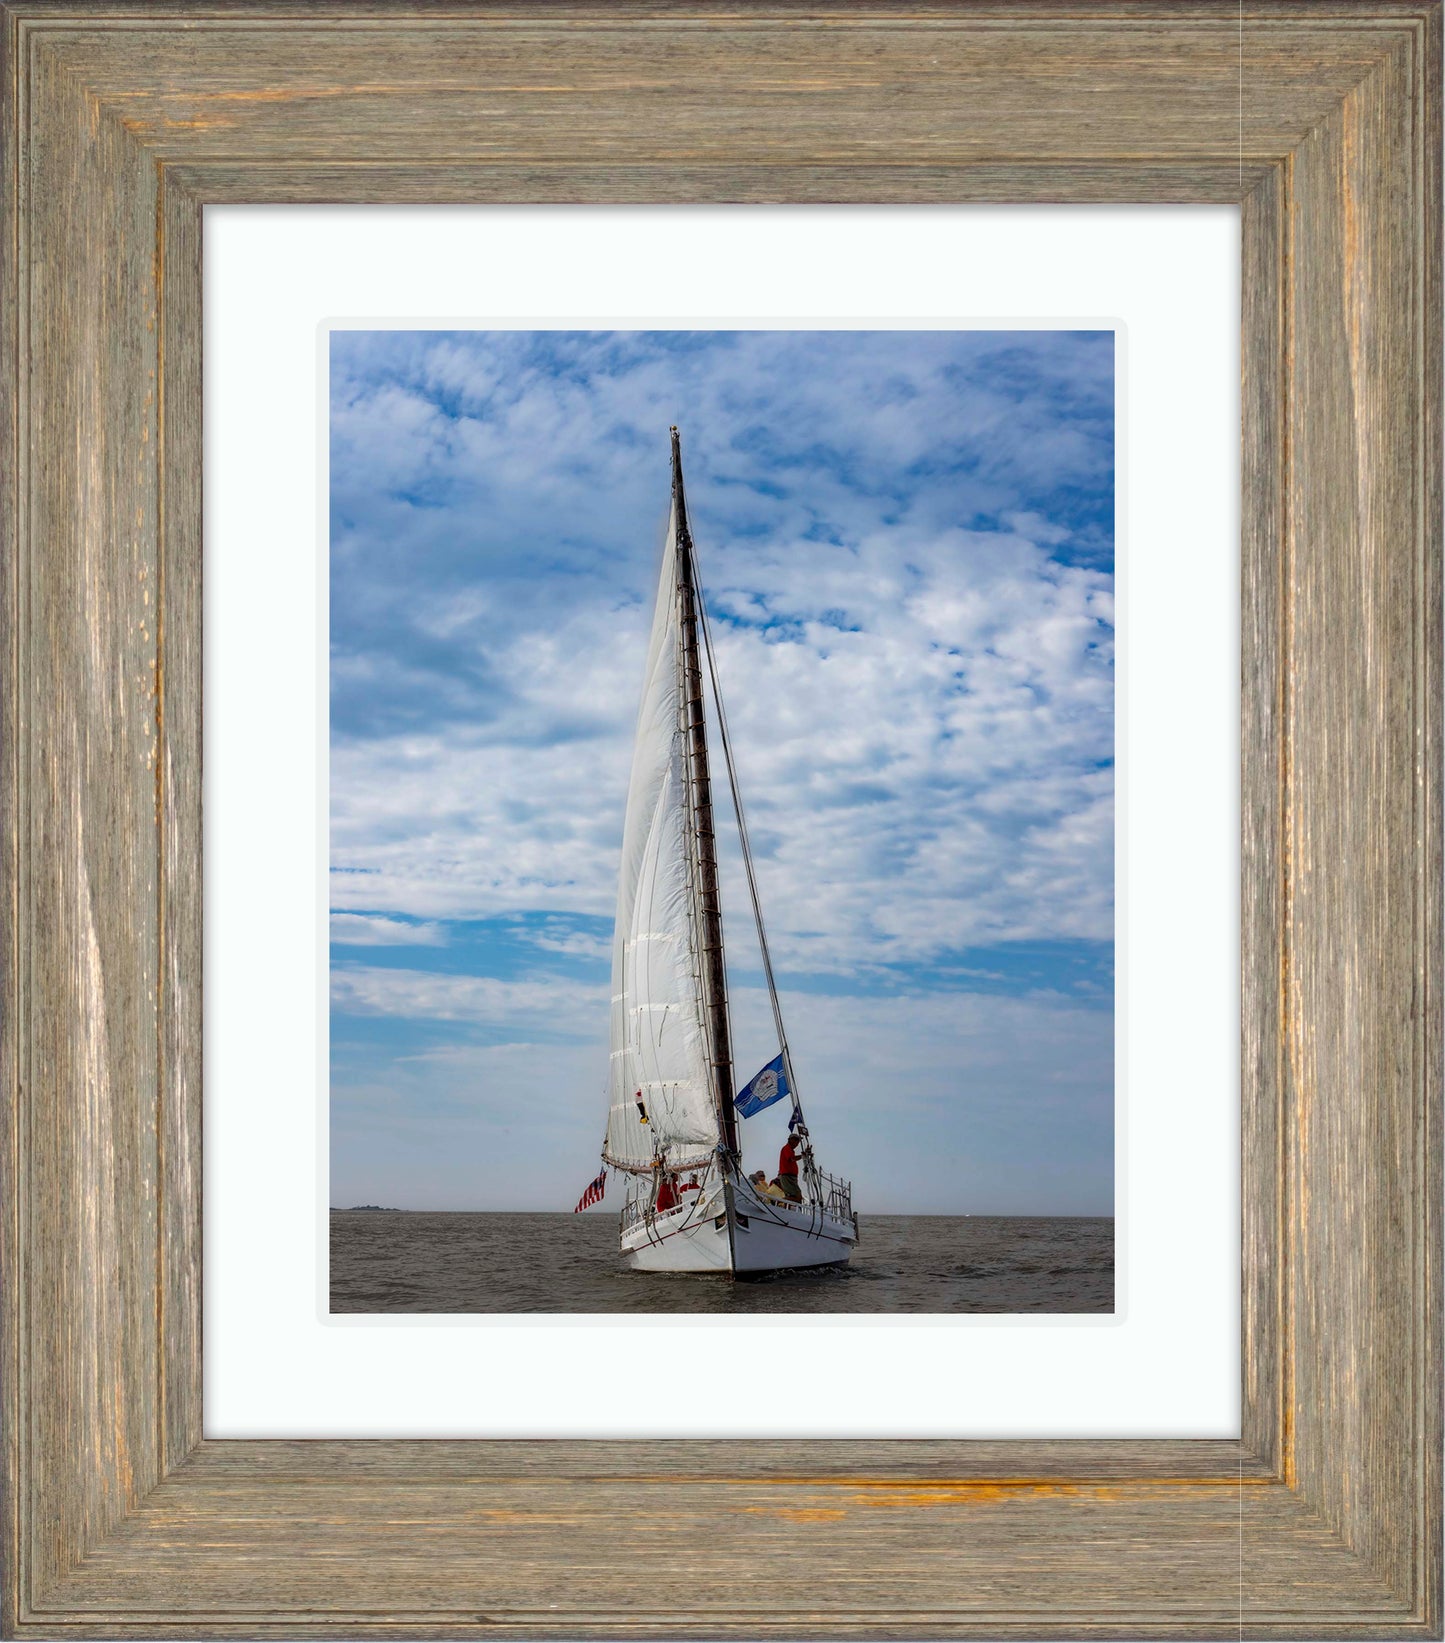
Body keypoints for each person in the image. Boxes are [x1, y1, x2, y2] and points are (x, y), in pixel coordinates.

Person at [773, 1133, 805, 1203]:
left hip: (791, 1177)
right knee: (795, 1197)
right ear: (790, 1140)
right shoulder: (786, 1148)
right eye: (796, 1140)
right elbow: (791, 1159)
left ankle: (779, 1203)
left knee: (797, 1197)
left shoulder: (790, 1150)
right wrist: (802, 1156)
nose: (797, 1143)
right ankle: (777, 1202)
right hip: (787, 1176)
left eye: (798, 1141)